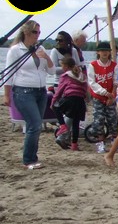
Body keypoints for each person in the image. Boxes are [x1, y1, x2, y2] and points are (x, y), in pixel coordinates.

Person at [4, 20, 54, 169]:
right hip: (23, 91)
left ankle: (33, 157)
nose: (37, 35)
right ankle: (28, 160)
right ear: (26, 32)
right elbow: (8, 73)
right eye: (34, 32)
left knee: (36, 126)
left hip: (41, 91)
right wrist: (6, 95)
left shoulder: (40, 48)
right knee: (35, 124)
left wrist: (46, 57)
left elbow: (51, 71)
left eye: (39, 32)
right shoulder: (15, 50)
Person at [86, 41, 118, 152]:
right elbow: (92, 82)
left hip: (111, 96)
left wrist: (112, 95)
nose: (105, 53)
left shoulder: (114, 65)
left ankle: (114, 140)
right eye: (102, 51)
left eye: (107, 51)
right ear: (98, 52)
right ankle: (100, 142)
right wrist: (104, 92)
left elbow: (115, 81)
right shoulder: (93, 65)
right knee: (99, 119)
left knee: (112, 118)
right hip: (98, 96)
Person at [52, 56, 88, 151]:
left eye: (62, 66)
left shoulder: (66, 76)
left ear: (66, 66)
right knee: (76, 123)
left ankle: (63, 126)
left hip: (70, 98)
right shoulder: (82, 76)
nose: (62, 68)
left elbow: (59, 90)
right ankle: (74, 144)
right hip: (80, 101)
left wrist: (53, 101)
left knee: (55, 107)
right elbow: (85, 89)